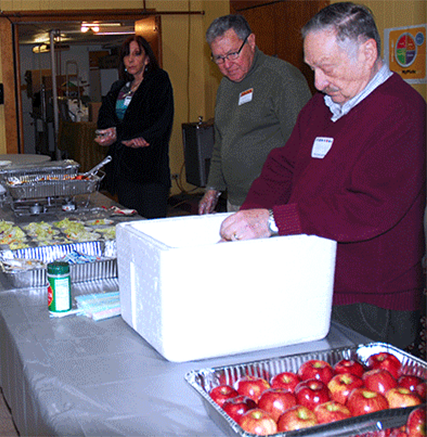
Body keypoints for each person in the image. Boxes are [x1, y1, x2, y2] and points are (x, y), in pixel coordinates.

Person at [218, 2, 427, 350]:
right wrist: (248, 217)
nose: (318, 82)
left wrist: (272, 221)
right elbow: (281, 168)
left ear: (367, 51)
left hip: (372, 298)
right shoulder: (321, 106)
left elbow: (370, 207)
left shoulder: (403, 112)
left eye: (326, 67)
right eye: (312, 68)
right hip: (315, 280)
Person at [198, 15, 311, 214]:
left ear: (251, 42)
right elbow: (221, 143)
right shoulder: (225, 86)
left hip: (273, 203)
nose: (227, 64)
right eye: (219, 58)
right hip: (235, 201)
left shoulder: (282, 79)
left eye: (233, 54)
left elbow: (303, 147)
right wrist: (213, 189)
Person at [95, 35, 174, 219]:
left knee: (151, 226)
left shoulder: (158, 81)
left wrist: (121, 134)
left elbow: (157, 120)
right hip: (124, 171)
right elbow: (104, 118)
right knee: (129, 223)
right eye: (126, 55)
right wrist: (120, 135)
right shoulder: (119, 87)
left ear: (147, 59)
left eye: (137, 54)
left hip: (150, 170)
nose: (130, 59)